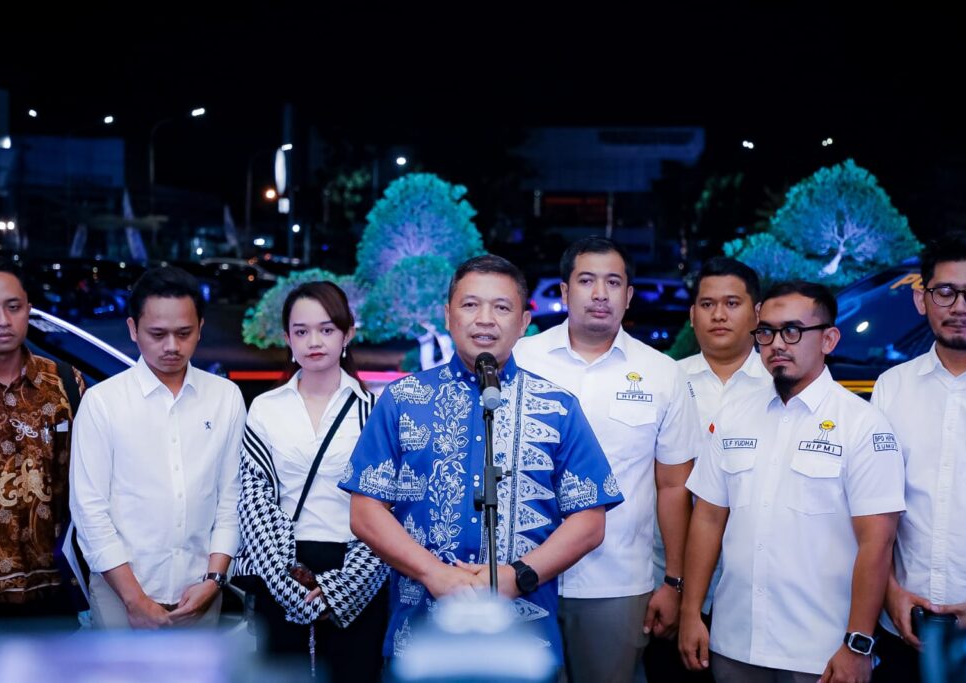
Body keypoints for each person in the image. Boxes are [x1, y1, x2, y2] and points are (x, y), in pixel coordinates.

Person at [341, 254, 623, 664]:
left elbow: (590, 520)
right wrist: (434, 573)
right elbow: (365, 511)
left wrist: (516, 576)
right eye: (471, 305)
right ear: (448, 315)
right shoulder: (402, 400)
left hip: (525, 642)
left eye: (502, 307)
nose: (485, 320)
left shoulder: (558, 407)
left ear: (524, 322)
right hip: (420, 636)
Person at [680, 281, 905, 683]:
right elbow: (708, 519)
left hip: (821, 651)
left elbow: (878, 542)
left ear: (829, 339)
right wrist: (690, 612)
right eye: (766, 332)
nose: (777, 344)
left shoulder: (862, 424)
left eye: (793, 331)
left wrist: (858, 643)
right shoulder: (733, 416)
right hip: (735, 641)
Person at [513, 237, 700, 681]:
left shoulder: (662, 373)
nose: (600, 294)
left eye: (613, 282)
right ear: (564, 291)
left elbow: (673, 486)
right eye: (587, 281)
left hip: (617, 580)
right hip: (519, 575)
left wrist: (674, 582)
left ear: (629, 295)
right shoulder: (520, 359)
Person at [70, 266, 246, 628]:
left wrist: (214, 580)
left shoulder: (225, 397)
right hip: (120, 593)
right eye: (157, 334)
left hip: (200, 590)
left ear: (200, 327)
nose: (171, 346)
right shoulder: (103, 402)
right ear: (133, 329)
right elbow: (89, 510)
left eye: (183, 333)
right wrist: (134, 600)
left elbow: (232, 500)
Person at [237, 281, 387, 681]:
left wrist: (345, 588)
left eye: (326, 329)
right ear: (287, 338)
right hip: (283, 567)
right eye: (301, 331)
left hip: (357, 566)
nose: (314, 341)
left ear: (347, 334)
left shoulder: (374, 410)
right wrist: (284, 582)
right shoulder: (265, 408)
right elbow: (253, 499)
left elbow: (389, 506)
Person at [0, 255, 84, 657]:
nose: (3, 320)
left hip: (53, 592)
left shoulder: (65, 384)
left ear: (28, 309)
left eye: (13, 306)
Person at [645, 256, 767, 683]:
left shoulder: (780, 385)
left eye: (732, 303)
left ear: (757, 313)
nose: (718, 315)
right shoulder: (665, 380)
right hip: (668, 578)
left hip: (753, 586)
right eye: (707, 304)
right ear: (692, 314)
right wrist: (672, 582)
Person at [871, 232, 966, 682]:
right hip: (902, 622)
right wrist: (888, 592)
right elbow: (871, 505)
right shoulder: (891, 387)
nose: (960, 306)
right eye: (945, 291)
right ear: (921, 298)